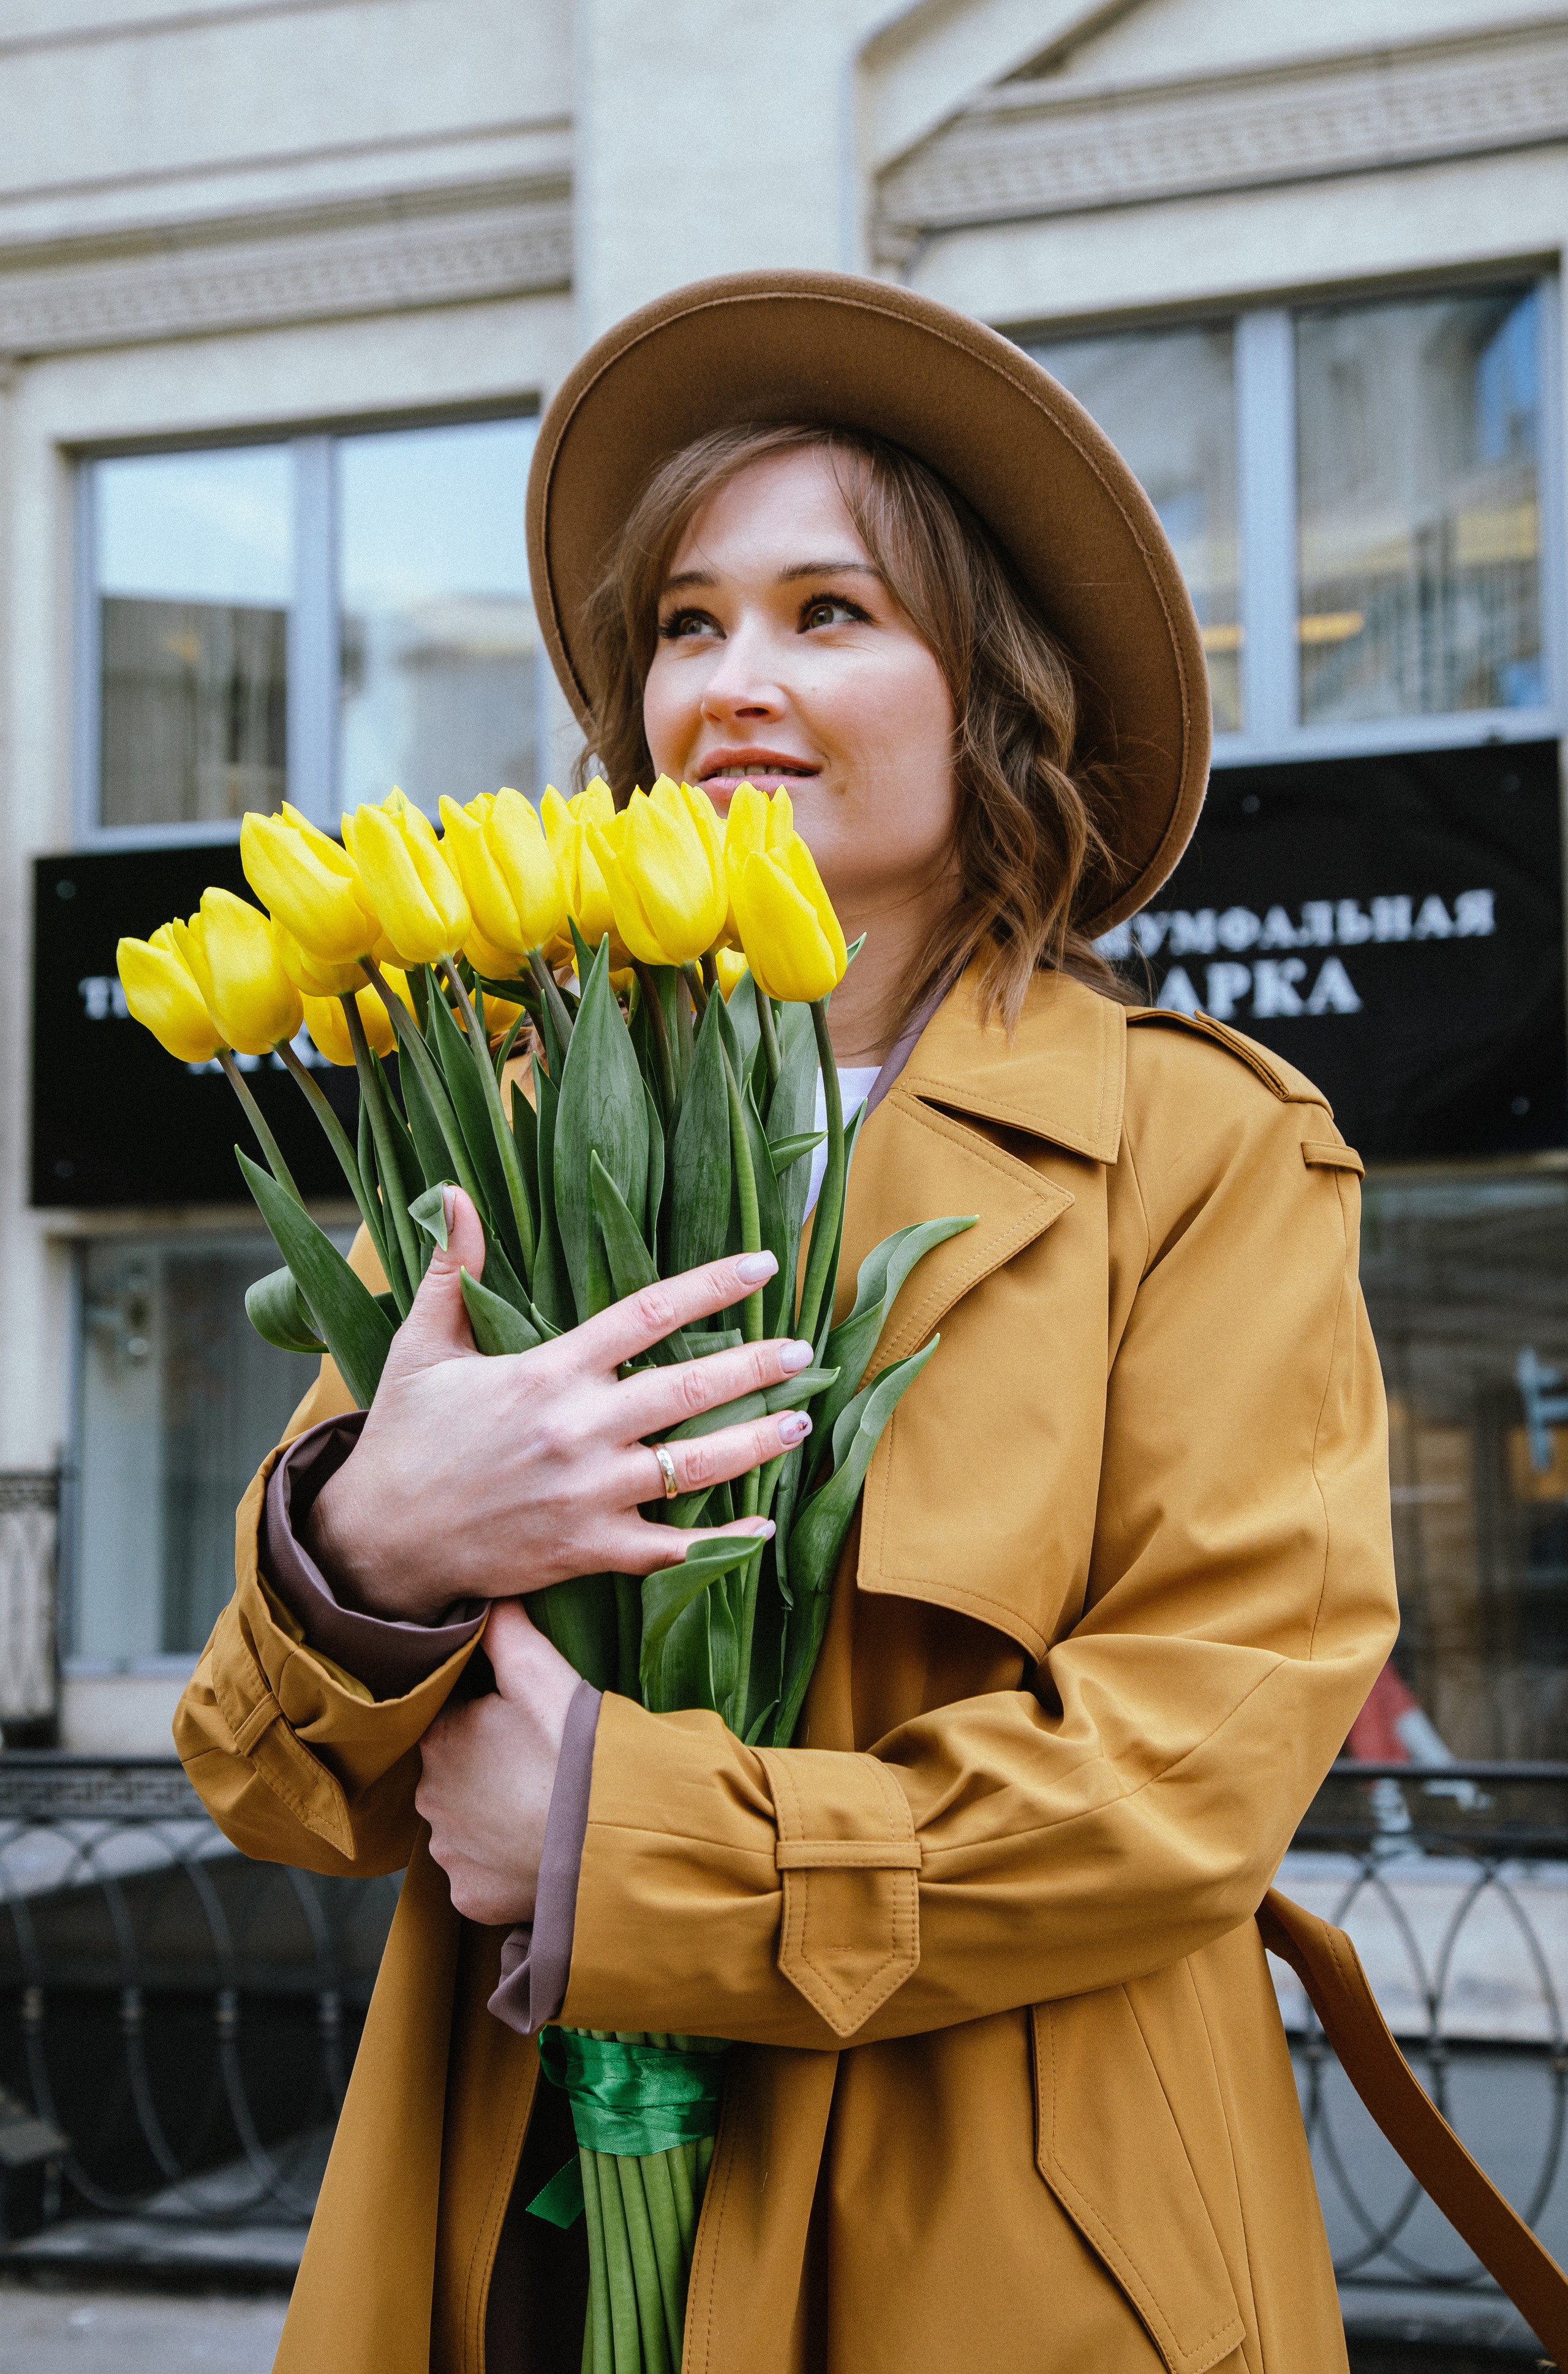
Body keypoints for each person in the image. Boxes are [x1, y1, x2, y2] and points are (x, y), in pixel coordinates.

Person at [175, 271, 1398, 2374]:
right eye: (687, 624)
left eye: (833, 614)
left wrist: (618, 1841)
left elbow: (1191, 1773)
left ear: (990, 687)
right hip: (518, 2223)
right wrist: (382, 1548)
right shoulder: (508, 1128)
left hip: (1002, 2249)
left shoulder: (1198, 1147)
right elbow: (268, 1774)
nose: (735, 682)